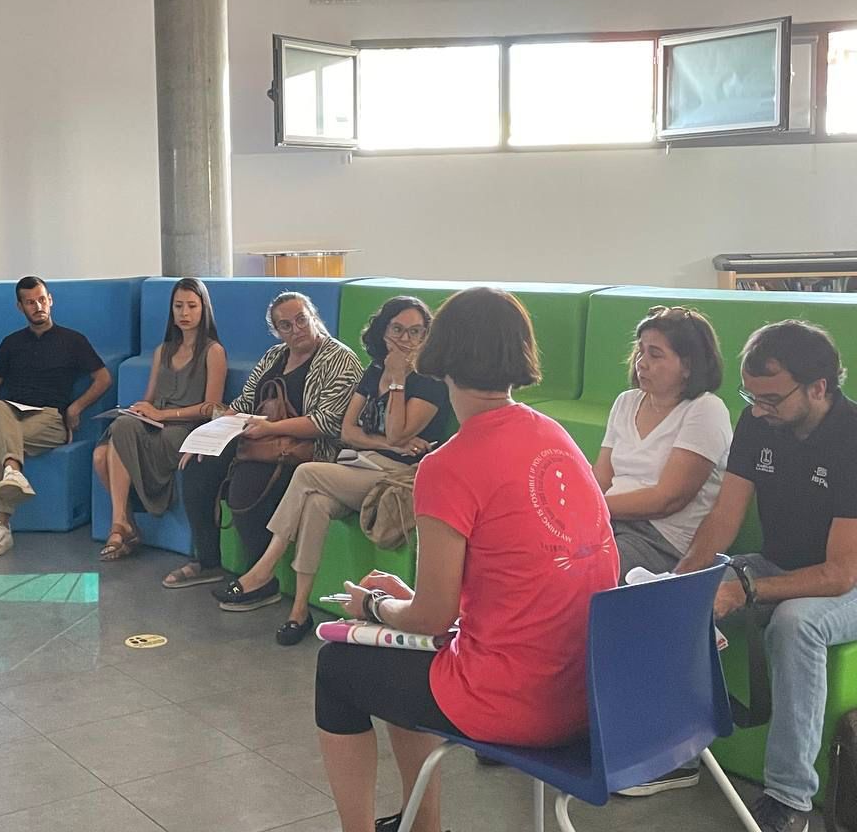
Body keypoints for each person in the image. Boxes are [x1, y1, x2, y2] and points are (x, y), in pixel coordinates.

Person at [314, 287, 619, 832]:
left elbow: (433, 619)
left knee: (338, 667)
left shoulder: (448, 465)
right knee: (400, 658)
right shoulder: (553, 434)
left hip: (516, 703)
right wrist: (413, 605)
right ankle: (420, 824)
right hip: (589, 694)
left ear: (441, 354)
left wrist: (375, 606)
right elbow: (515, 578)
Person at [678, 321, 857, 832]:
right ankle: (676, 751)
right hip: (776, 563)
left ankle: (789, 800)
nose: (758, 410)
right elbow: (724, 518)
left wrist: (748, 590)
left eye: (771, 399)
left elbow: (841, 573)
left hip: (847, 581)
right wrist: (678, 581)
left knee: (796, 623)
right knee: (676, 599)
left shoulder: (852, 438)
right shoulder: (758, 421)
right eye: (750, 397)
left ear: (818, 387)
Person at [219, 296, 452, 646]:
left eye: (415, 332)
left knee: (307, 474)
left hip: (398, 477)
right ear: (383, 331)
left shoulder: (431, 380)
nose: (406, 339)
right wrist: (389, 441)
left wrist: (398, 380)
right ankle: (299, 611)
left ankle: (263, 569)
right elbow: (348, 431)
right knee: (315, 503)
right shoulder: (375, 370)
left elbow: (396, 432)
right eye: (397, 329)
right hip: (359, 465)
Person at [161, 291, 362, 598]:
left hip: (309, 450)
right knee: (197, 466)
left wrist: (271, 427)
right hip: (259, 436)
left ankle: (260, 580)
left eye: (301, 320)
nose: (296, 330)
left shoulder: (339, 359)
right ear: (276, 331)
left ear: (314, 317)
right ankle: (208, 561)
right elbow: (244, 402)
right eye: (286, 325)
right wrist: (205, 437)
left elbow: (326, 422)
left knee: (248, 484)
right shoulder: (274, 356)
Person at [0, 276, 112, 556]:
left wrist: (76, 407)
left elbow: (103, 378)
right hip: (13, 413)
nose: (38, 306)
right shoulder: (11, 343)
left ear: (50, 300)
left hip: (51, 419)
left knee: (6, 442)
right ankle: (12, 473)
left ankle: (1, 524)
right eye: (30, 302)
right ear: (20, 307)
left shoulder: (73, 340)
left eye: (41, 299)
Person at [93, 278, 226, 560]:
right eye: (178, 306)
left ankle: (121, 527)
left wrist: (163, 415)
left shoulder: (213, 351)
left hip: (184, 429)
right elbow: (150, 399)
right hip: (154, 423)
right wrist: (140, 410)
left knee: (117, 438)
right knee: (101, 453)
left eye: (192, 306)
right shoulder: (162, 351)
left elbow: (212, 408)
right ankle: (124, 523)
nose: (184, 313)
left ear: (204, 309)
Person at [595, 306, 732, 580]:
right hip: (610, 520)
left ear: (688, 366)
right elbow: (601, 478)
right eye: (640, 351)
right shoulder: (626, 402)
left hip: (660, 540)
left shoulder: (705, 409)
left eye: (655, 354)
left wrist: (591, 507)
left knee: (583, 571)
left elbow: (667, 500)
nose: (641, 363)